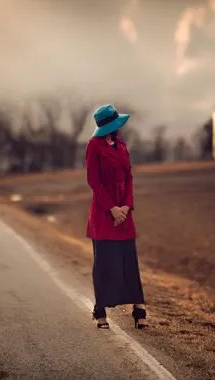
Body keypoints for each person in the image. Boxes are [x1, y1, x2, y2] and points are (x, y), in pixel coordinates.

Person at [85, 104, 147, 330]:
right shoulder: (93, 146)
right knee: (104, 264)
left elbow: (129, 176)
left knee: (129, 261)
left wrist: (127, 206)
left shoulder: (121, 145)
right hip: (104, 213)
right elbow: (94, 181)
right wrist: (112, 208)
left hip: (124, 212)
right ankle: (100, 310)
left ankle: (139, 309)